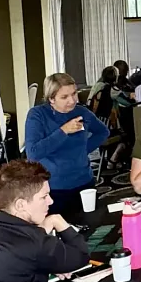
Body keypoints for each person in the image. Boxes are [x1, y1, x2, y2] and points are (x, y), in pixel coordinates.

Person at [25, 73, 109, 215]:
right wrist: (63, 131)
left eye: (74, 93)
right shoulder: (37, 115)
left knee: (90, 227)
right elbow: (33, 153)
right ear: (51, 98)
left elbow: (103, 132)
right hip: (53, 188)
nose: (72, 100)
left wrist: (82, 151)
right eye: (64, 97)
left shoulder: (82, 112)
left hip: (84, 182)